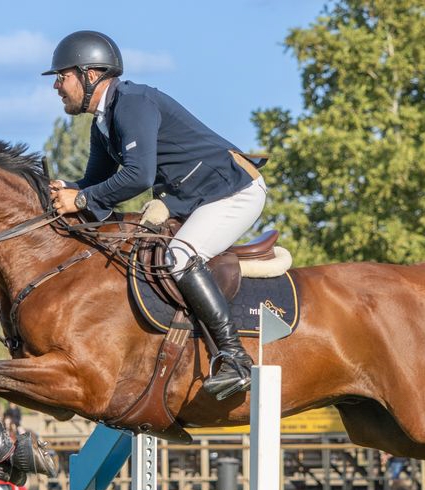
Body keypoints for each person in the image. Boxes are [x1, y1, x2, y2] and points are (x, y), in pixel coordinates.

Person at [45, 31, 267, 400]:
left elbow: (138, 177)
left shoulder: (133, 103)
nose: (56, 85)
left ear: (89, 74)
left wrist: (80, 201)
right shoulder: (104, 122)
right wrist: (61, 189)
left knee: (180, 255)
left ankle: (235, 359)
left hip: (234, 190)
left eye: (61, 76)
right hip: (198, 195)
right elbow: (94, 183)